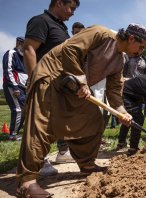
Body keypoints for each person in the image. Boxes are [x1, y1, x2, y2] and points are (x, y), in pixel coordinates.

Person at [16, 24, 146, 197]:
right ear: (131, 39)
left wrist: (122, 112)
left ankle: (87, 164)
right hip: (52, 77)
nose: (141, 52)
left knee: (93, 119)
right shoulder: (100, 34)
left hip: (74, 87)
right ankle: (27, 182)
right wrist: (82, 81)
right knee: (42, 125)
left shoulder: (120, 60)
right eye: (141, 47)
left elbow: (114, 90)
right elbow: (70, 50)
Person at [23, 0, 80, 168]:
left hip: (59, 84)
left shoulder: (61, 28)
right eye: (71, 8)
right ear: (59, 3)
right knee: (40, 123)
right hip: (43, 81)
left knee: (59, 120)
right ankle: (38, 162)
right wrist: (35, 79)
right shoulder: (41, 21)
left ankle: (62, 152)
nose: (72, 12)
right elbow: (29, 49)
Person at [117, 53, 146, 152]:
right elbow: (119, 71)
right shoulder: (127, 57)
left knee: (131, 117)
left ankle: (128, 144)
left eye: (143, 48)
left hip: (138, 92)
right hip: (127, 89)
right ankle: (126, 144)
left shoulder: (144, 60)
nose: (141, 50)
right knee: (131, 116)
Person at [2, 37, 27, 141]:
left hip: (24, 88)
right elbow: (8, 70)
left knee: (25, 110)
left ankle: (16, 132)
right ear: (19, 43)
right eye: (24, 44)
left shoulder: (25, 57)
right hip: (13, 86)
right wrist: (15, 87)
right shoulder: (11, 53)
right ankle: (12, 135)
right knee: (17, 110)